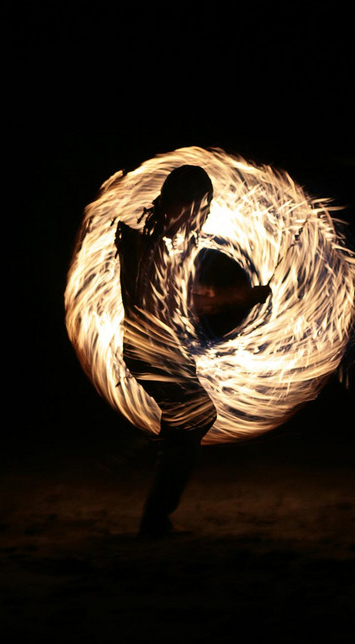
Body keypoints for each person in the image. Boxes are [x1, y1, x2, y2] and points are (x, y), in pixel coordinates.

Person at [115, 165, 271, 538]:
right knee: (197, 416)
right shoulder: (146, 242)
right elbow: (140, 300)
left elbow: (186, 301)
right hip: (151, 350)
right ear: (184, 201)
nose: (205, 212)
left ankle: (155, 509)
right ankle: (152, 502)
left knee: (189, 425)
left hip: (167, 351)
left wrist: (240, 297)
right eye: (202, 204)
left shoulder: (176, 246)